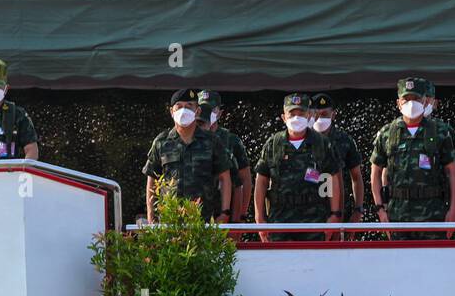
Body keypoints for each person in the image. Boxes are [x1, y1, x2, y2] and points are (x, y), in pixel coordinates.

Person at [370, 77, 455, 238]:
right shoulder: (387, 133)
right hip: (397, 215)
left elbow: (453, 172)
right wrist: (380, 210)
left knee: (432, 261)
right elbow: (375, 173)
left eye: (416, 98)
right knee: (400, 261)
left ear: (425, 101)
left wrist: (453, 211)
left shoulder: (439, 131)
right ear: (398, 103)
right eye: (406, 99)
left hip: (433, 214)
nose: (411, 103)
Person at [252, 93, 343, 241]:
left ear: (309, 115)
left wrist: (334, 215)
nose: (296, 118)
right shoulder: (273, 144)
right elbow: (261, 181)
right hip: (279, 219)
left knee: (314, 262)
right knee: (280, 262)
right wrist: (259, 218)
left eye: (301, 113)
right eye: (292, 113)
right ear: (283, 117)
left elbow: (332, 179)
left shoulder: (321, 143)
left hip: (314, 219)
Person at [143, 89, 233, 224]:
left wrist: (225, 212)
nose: (183, 110)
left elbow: (225, 177)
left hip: (204, 222)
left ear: (197, 112)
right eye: (179, 106)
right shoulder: (161, 142)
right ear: (171, 112)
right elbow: (152, 179)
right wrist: (151, 216)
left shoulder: (212, 141)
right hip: (170, 222)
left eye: (189, 106)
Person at [309, 92, 365, 237]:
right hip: (308, 212)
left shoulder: (344, 140)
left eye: (325, 114)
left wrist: (358, 210)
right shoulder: (302, 140)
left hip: (339, 211)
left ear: (333, 115)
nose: (320, 118)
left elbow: (357, 177)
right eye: (317, 114)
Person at [197, 90, 251, 222]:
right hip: (195, 212)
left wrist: (241, 217)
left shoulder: (231, 140)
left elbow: (244, 181)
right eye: (203, 108)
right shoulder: (189, 138)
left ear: (220, 113)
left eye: (211, 109)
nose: (207, 112)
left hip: (224, 214)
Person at [421, 79, 455, 221]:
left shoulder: (444, 131)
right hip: (402, 212)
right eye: (419, 98)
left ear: (435, 103)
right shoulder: (394, 131)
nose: (423, 103)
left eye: (428, 99)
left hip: (437, 210)